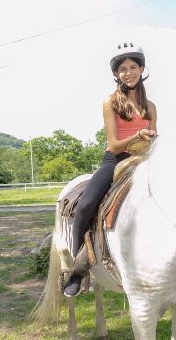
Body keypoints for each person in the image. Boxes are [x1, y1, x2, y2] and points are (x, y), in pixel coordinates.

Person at [63, 42, 158, 297]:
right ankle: (77, 269)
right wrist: (138, 133)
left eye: (133, 67)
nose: (128, 72)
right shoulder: (111, 103)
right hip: (115, 161)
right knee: (86, 205)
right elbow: (115, 145)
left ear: (141, 69)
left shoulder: (151, 107)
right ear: (116, 74)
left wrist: (152, 140)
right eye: (123, 69)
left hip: (144, 161)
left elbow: (153, 139)